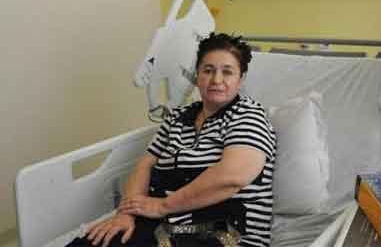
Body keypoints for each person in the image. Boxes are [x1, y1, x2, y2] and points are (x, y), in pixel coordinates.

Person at [66, 33, 276, 247]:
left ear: (241, 79)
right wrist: (126, 214)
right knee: (93, 242)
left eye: (227, 72)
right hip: (163, 223)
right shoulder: (178, 117)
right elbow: (145, 165)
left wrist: (162, 206)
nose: (216, 80)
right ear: (197, 75)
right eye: (208, 70)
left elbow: (232, 177)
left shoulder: (248, 116)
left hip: (224, 232)